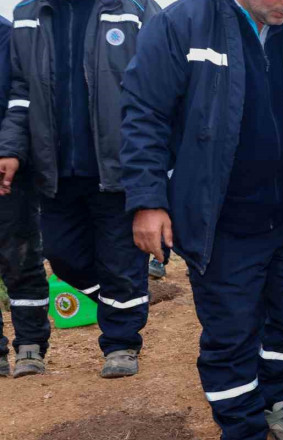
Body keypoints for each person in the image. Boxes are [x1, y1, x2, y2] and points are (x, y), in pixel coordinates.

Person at [119, 0, 283, 437]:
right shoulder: (184, 23)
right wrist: (147, 199)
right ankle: (242, 428)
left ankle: (268, 402)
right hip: (221, 221)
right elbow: (144, 113)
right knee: (231, 337)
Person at [0, 0, 161, 379]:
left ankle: (121, 343)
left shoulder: (135, 8)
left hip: (117, 165)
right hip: (53, 169)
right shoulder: (28, 14)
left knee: (121, 257)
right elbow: (21, 91)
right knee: (62, 255)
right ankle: (121, 299)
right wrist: (10, 148)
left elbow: (157, 85)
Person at [0, 14, 51, 379]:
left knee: (20, 256)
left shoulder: (8, 35)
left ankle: (30, 345)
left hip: (8, 169)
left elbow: (20, 97)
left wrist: (9, 152)